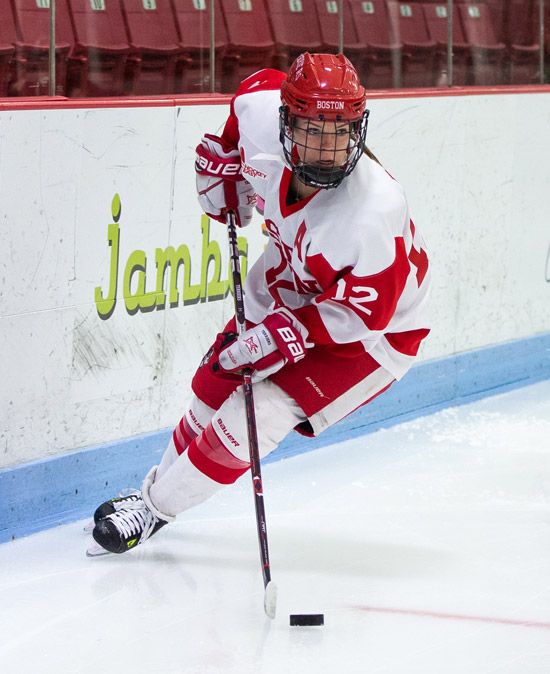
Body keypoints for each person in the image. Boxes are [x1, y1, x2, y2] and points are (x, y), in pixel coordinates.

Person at [90, 53, 431, 555]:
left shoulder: (372, 210)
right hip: (291, 280)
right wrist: (226, 164)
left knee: (261, 412)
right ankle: (150, 494)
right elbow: (247, 99)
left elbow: (368, 314)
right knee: (217, 376)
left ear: (358, 128)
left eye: (340, 131)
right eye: (313, 130)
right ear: (285, 120)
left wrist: (293, 333)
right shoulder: (260, 111)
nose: (327, 148)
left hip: (370, 333)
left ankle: (156, 509)